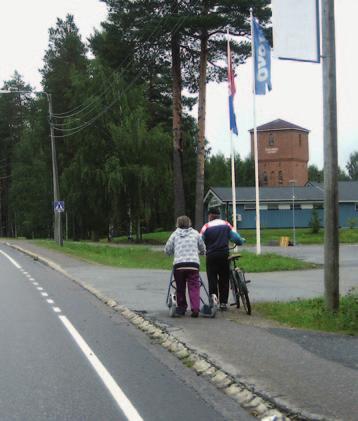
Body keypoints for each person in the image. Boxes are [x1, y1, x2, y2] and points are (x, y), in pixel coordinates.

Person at [200, 207, 245, 311]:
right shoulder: (226, 224)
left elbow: (200, 240)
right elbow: (236, 238)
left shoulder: (206, 227)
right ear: (219, 215)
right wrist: (240, 242)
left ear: (210, 215)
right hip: (224, 254)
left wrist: (201, 250)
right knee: (224, 278)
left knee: (212, 278)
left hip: (211, 255)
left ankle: (213, 301)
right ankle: (223, 303)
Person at [164, 215, 206, 317]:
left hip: (179, 265)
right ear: (189, 223)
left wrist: (170, 253)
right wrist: (202, 251)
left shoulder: (174, 234)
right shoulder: (195, 233)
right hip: (193, 264)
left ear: (177, 224)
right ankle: (195, 309)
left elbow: (167, 249)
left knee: (180, 287)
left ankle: (182, 308)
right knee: (194, 287)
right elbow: (202, 246)